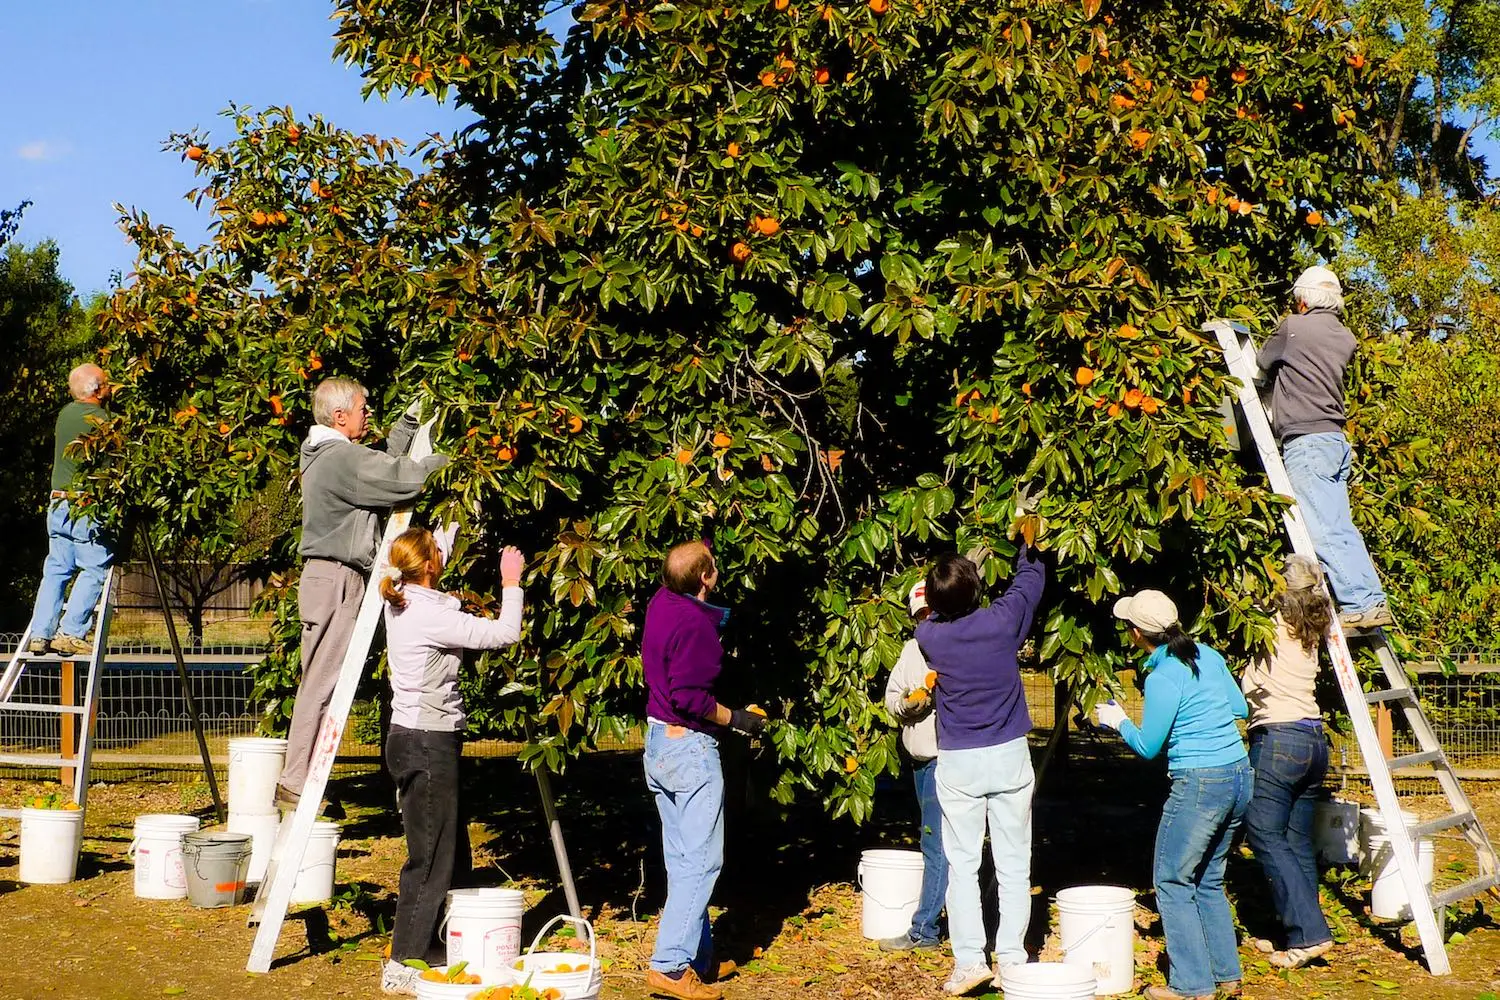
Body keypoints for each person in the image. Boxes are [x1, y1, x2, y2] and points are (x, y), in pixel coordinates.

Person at [276, 377, 449, 810]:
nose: (367, 412)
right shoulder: (338, 459)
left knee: (320, 679)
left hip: (329, 578)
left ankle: (300, 778)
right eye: (362, 407)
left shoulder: (327, 454)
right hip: (337, 579)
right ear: (339, 416)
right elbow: (400, 477)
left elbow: (378, 466)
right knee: (322, 683)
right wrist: (455, 460)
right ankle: (298, 782)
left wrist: (408, 425)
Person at [376, 526, 526, 996]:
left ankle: (444, 947)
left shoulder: (400, 597)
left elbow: (434, 557)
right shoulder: (428, 615)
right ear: (430, 566)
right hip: (427, 741)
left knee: (450, 849)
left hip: (414, 737)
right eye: (439, 554)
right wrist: (510, 582)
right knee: (432, 856)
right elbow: (506, 633)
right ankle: (403, 963)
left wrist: (458, 526)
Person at [1094, 591, 1251, 1000]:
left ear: (1137, 633)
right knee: (1209, 878)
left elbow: (1148, 746)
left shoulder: (1162, 675)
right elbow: (1240, 708)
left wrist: (1119, 722)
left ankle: (1192, 986)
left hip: (1201, 783)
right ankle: (1225, 975)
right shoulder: (1208, 655)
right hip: (1238, 775)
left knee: (1171, 879)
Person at [916, 546, 1045, 996]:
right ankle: (1011, 957)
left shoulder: (929, 637)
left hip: (961, 762)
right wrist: (1028, 544)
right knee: (1013, 864)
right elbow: (1029, 584)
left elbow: (927, 607)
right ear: (976, 590)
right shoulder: (1002, 622)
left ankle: (970, 960)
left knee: (963, 865)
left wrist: (958, 575)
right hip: (1009, 753)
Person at [642, 540, 766, 1000]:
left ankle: (698, 957)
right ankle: (671, 966)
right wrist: (737, 719)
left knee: (682, 859)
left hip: (658, 744)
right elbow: (689, 698)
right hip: (688, 749)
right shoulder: (695, 626)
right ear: (705, 578)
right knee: (703, 861)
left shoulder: (661, 603)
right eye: (712, 566)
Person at [1257, 266, 1392, 630]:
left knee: (1322, 530)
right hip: (1334, 440)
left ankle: (1360, 603)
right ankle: (1371, 599)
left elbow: (1261, 362)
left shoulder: (1294, 327)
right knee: (1340, 526)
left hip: (1307, 442)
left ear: (1303, 299)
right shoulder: (1344, 335)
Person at [1241, 555, 1335, 970]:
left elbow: (1251, 683)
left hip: (1279, 738)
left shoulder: (1272, 625)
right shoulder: (1312, 626)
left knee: (1261, 831)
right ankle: (1298, 936)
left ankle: (1311, 932)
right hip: (1314, 738)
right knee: (1294, 840)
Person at [26, 363, 114, 656]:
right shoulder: (102, 419)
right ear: (97, 389)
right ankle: (71, 632)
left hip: (58, 502)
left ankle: (40, 633)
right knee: (93, 567)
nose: (111, 387)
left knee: (56, 570)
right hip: (84, 503)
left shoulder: (65, 414)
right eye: (107, 383)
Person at [879, 580, 946, 953]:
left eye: (931, 612)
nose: (926, 620)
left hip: (944, 759)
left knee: (936, 843)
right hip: (919, 759)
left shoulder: (951, 647)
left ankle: (926, 930)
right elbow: (892, 697)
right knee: (935, 840)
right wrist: (908, 704)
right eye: (920, 615)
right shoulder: (910, 650)